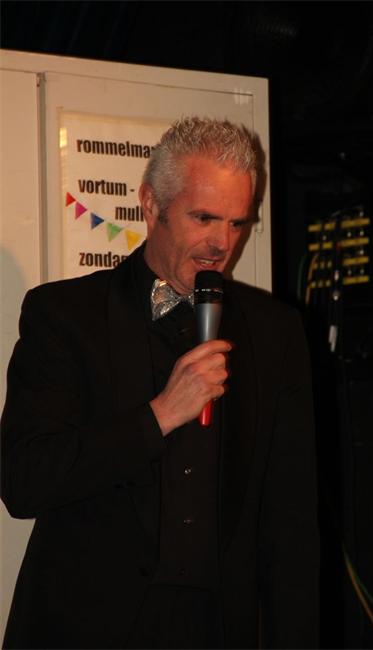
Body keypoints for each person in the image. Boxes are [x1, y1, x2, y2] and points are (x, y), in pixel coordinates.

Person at [1, 116, 319, 649]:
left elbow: (291, 520)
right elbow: (24, 482)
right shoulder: (65, 314)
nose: (221, 243)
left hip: (218, 631)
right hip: (87, 630)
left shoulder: (275, 331)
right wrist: (160, 415)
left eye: (236, 223)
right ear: (151, 204)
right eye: (203, 218)